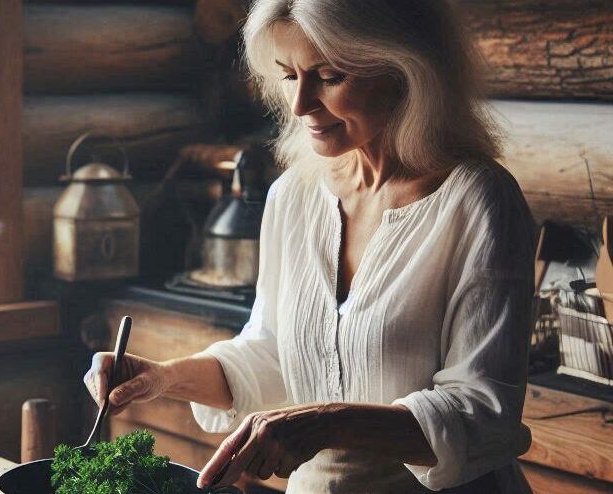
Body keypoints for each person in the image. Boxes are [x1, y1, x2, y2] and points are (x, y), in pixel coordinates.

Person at [83, 1, 536, 492]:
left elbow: (482, 410)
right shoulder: (294, 195)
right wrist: (163, 378)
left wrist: (325, 422)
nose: (300, 104)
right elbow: (273, 354)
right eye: (288, 75)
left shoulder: (478, 202)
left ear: (405, 69)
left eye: (328, 76)